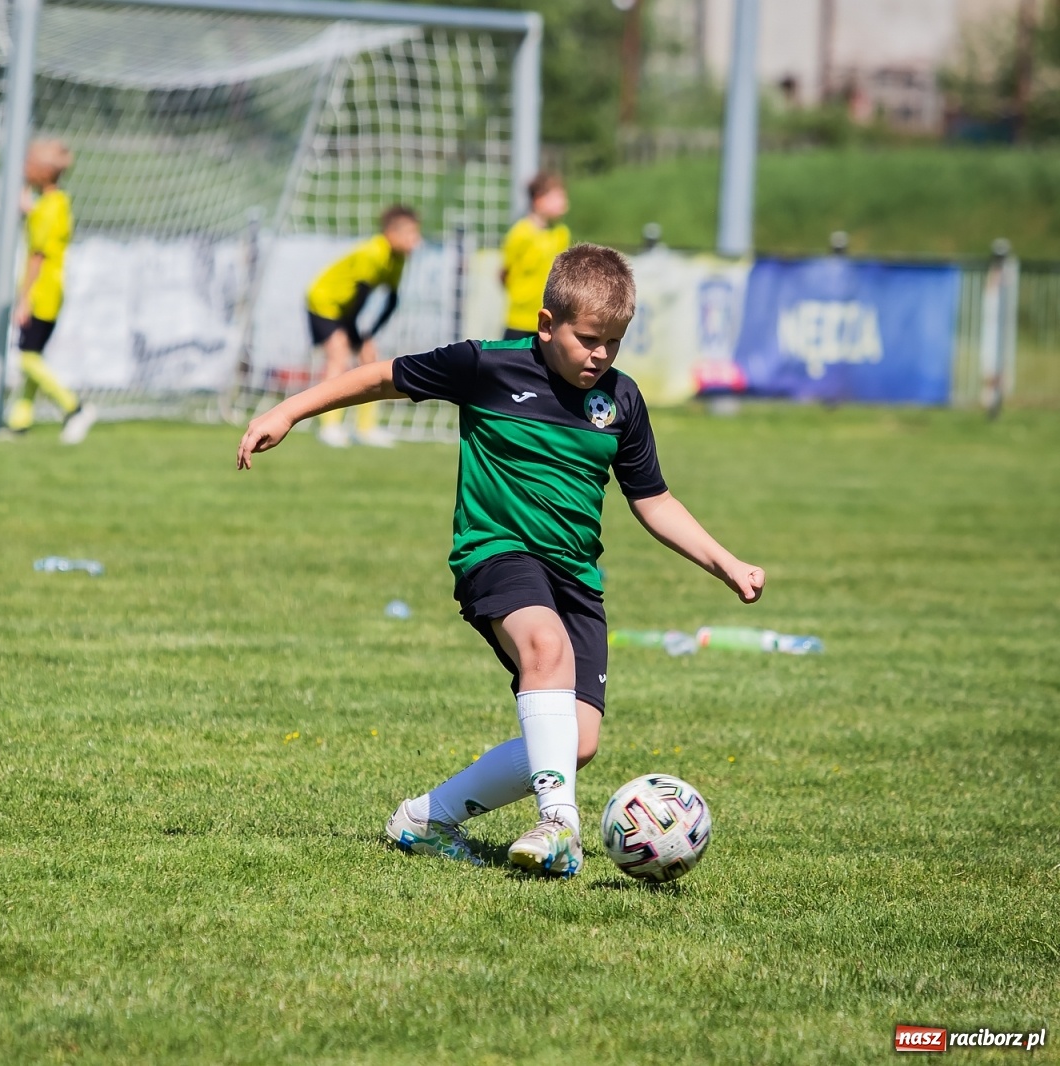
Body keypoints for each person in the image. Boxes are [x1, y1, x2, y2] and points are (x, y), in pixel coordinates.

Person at [239, 244, 764, 877]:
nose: (601, 355)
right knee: (545, 647)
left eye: (615, 343)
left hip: (576, 576)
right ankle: (559, 825)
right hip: (496, 553)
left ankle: (423, 819)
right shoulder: (486, 366)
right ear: (547, 325)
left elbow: (653, 500)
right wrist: (289, 410)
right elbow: (382, 377)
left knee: (579, 742)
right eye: (589, 339)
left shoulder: (620, 402)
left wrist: (727, 564)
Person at [304, 205, 421, 448]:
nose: (416, 241)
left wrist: (370, 336)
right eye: (410, 234)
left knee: (370, 358)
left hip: (347, 309)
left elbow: (391, 301)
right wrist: (358, 335)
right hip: (325, 301)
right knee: (339, 354)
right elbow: (358, 299)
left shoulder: (397, 258)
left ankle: (366, 429)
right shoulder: (373, 253)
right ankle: (330, 426)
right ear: (392, 233)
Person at [9, 138, 96, 444]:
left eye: (28, 163)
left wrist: (24, 298)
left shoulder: (47, 210)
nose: (23, 168)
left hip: (41, 292)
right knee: (33, 355)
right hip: (54, 290)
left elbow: (38, 254)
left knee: (26, 359)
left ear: (42, 171)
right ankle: (19, 423)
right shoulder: (57, 203)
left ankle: (74, 407)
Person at [499, 173, 570, 341]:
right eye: (558, 197)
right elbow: (504, 273)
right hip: (519, 322)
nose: (565, 204)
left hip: (550, 321)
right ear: (539, 199)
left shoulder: (562, 233)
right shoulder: (520, 234)